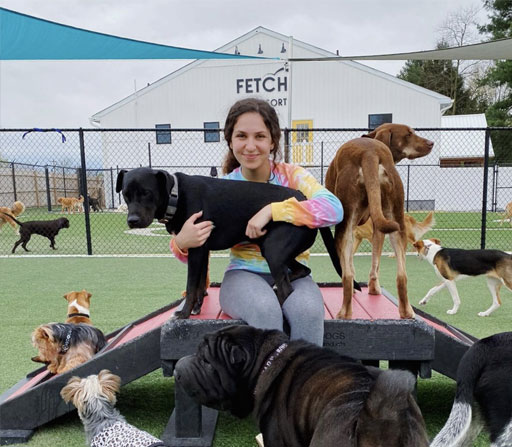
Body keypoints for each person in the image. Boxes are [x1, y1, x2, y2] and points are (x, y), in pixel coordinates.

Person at [170, 97, 343, 346]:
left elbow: (334, 210)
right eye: (241, 136)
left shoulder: (292, 177)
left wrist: (274, 210)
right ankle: (267, 384)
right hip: (242, 276)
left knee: (308, 312)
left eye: (260, 136)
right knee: (265, 311)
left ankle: (303, 382)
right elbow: (197, 246)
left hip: (292, 275)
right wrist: (181, 242)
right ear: (230, 141)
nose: (250, 146)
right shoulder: (224, 186)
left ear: (273, 141)